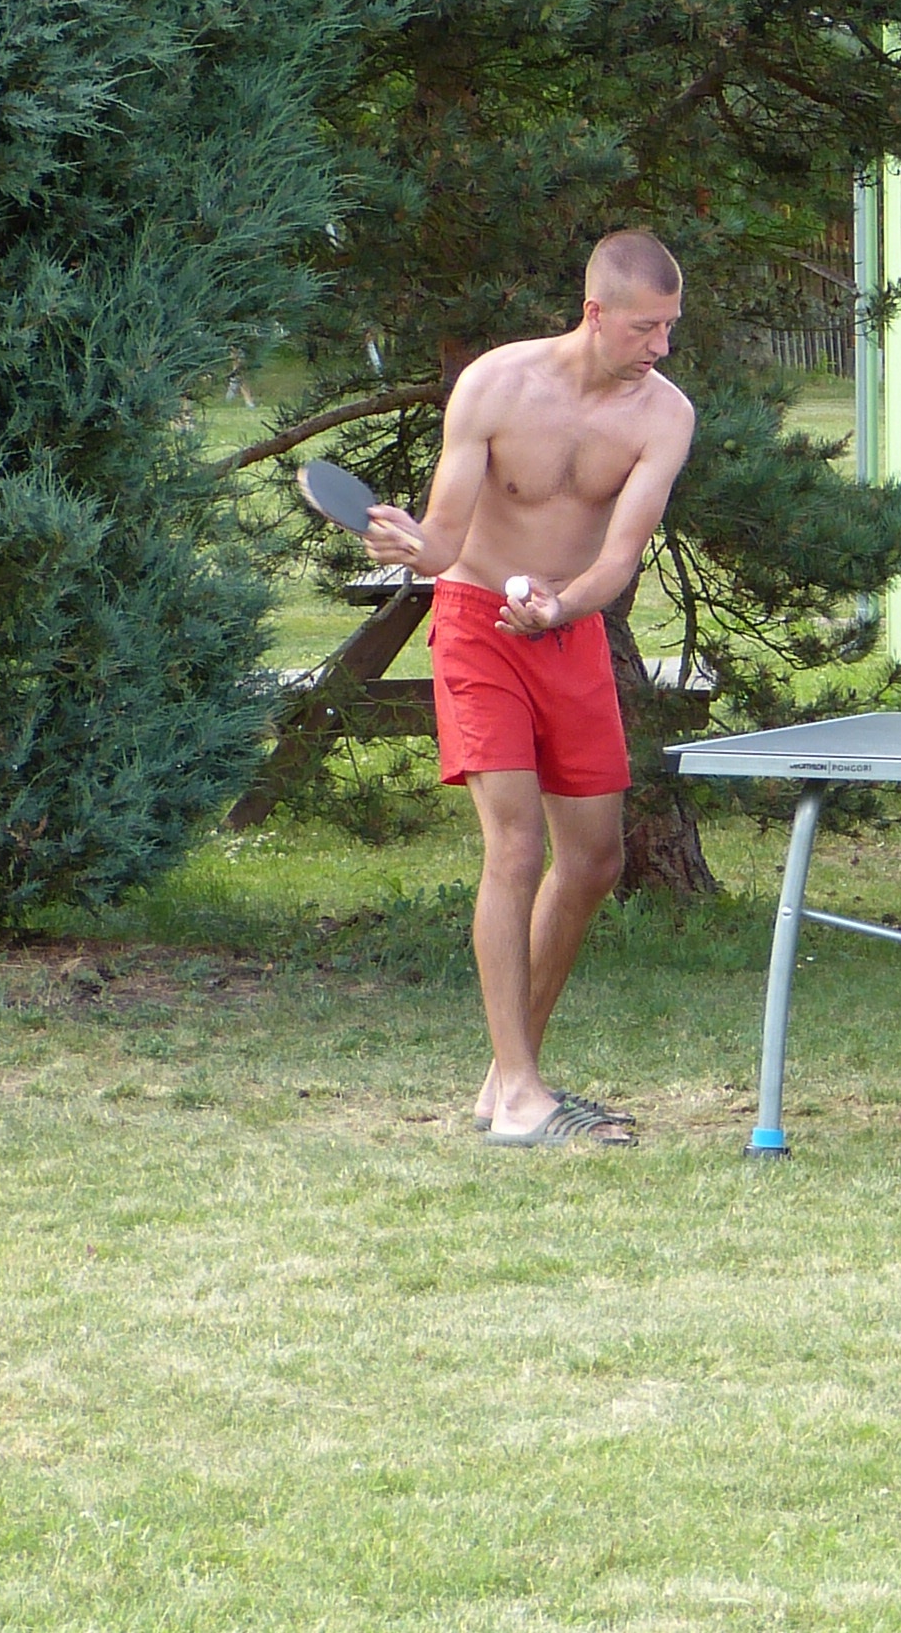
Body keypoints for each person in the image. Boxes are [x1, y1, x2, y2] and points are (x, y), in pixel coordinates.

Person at [361, 230, 696, 1149]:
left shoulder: (665, 417)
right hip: (479, 625)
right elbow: (441, 541)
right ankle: (518, 1094)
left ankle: (509, 1079)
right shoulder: (496, 385)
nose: (661, 346)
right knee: (514, 846)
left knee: (594, 861)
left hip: (569, 629)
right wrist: (406, 545)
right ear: (594, 313)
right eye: (645, 328)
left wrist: (562, 607)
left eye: (670, 327)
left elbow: (619, 559)